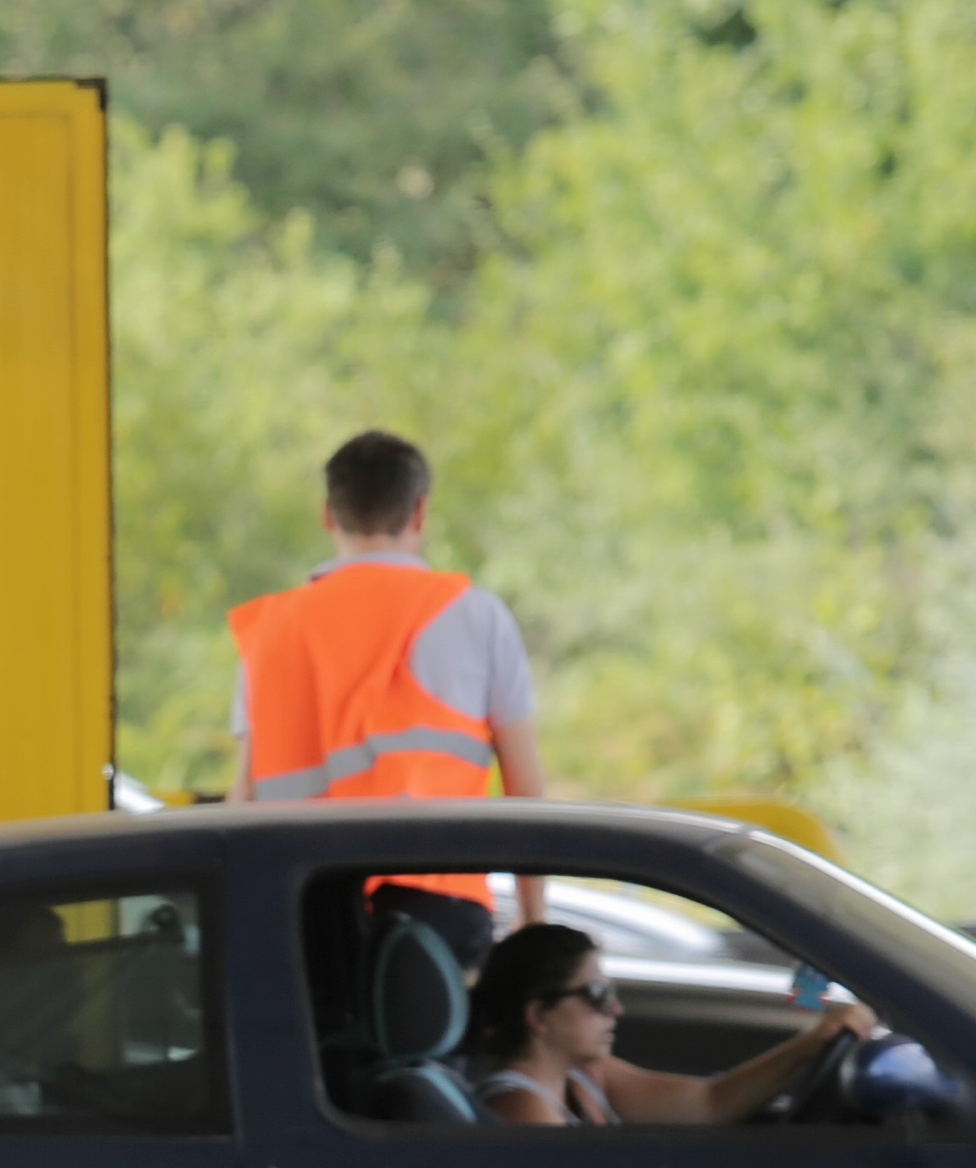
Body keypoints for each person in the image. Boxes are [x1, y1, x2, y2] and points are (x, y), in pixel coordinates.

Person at [229, 429, 550, 969]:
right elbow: (525, 787)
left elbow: (244, 798)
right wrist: (533, 920)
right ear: (420, 513)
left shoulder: (273, 631)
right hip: (439, 912)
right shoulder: (477, 616)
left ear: (328, 515)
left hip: (304, 912)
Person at [461, 924, 876, 1127]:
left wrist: (810, 1045)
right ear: (539, 1017)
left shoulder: (588, 1077)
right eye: (598, 997)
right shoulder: (524, 1111)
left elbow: (708, 1104)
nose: (616, 1010)